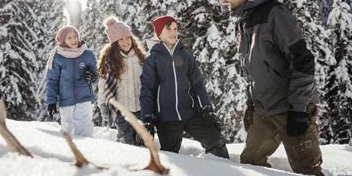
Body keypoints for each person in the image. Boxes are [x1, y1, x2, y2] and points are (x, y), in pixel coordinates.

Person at [216, 0, 324, 176]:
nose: (222, 0)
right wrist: (251, 103)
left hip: (290, 108)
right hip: (264, 110)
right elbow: (250, 67)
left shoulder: (275, 14)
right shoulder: (243, 21)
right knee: (251, 163)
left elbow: (302, 61)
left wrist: (298, 109)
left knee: (308, 171)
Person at [140, 15, 230, 159]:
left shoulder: (185, 56)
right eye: (168, 29)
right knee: (171, 157)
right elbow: (147, 91)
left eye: (175, 28)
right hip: (166, 118)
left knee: (216, 141)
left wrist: (206, 109)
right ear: (159, 33)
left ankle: (229, 174)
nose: (173, 32)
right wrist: (147, 119)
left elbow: (198, 84)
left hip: (190, 113)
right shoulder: (152, 60)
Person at [97, 17, 146, 145]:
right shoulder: (110, 60)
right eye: (121, 39)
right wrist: (103, 104)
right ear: (114, 42)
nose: (126, 42)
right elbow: (103, 84)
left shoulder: (140, 57)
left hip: (141, 109)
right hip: (122, 110)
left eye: (127, 37)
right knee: (128, 143)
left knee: (142, 142)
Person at [46, 25, 98, 137]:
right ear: (63, 40)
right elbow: (52, 81)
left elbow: (96, 77)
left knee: (85, 131)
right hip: (66, 100)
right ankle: (69, 153)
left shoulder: (87, 54)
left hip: (85, 98)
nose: (73, 40)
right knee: (67, 131)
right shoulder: (57, 57)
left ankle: (88, 153)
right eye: (69, 38)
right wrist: (51, 101)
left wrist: (92, 76)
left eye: (75, 36)